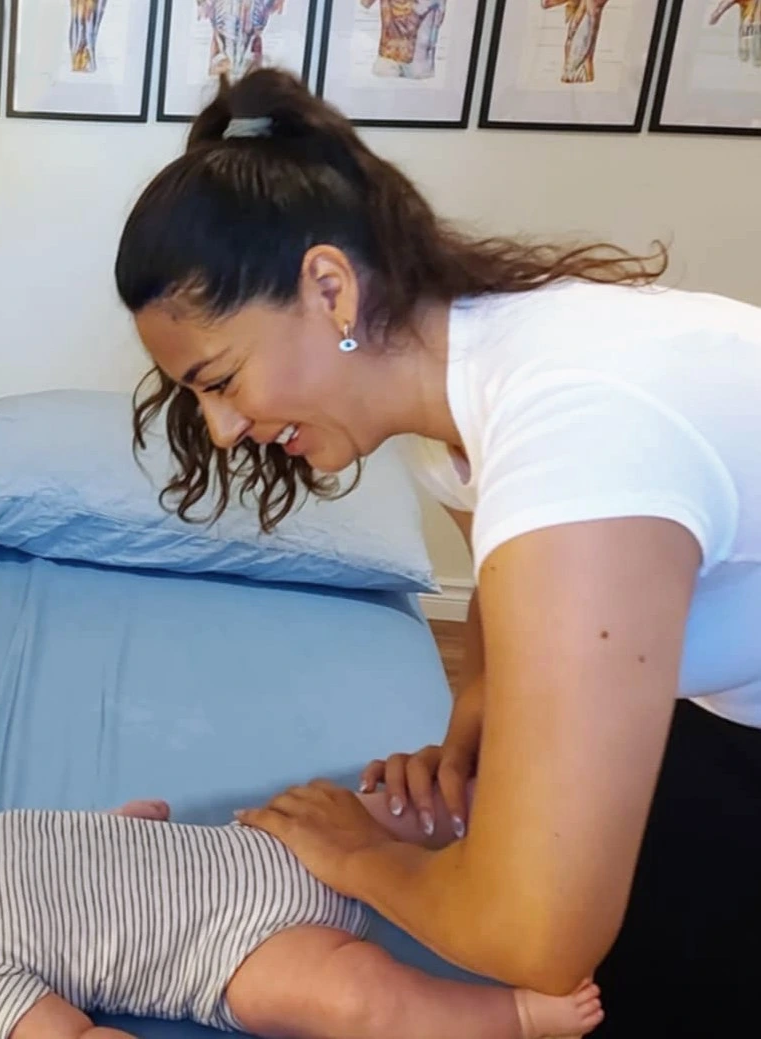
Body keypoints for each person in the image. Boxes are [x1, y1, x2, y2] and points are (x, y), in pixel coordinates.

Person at [113, 67, 761, 1038]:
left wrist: (356, 854)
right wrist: (475, 728)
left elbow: (537, 938)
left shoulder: (576, 436)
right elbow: (501, 601)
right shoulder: (459, 396)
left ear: (328, 286)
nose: (219, 429)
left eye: (221, 378)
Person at [0, 797, 602, 1039]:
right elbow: (66, 1035)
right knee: (356, 999)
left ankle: (525, 830)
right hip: (237, 956)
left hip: (253, 856)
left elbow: (75, 841)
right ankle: (516, 1015)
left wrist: (126, 821)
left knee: (377, 804)